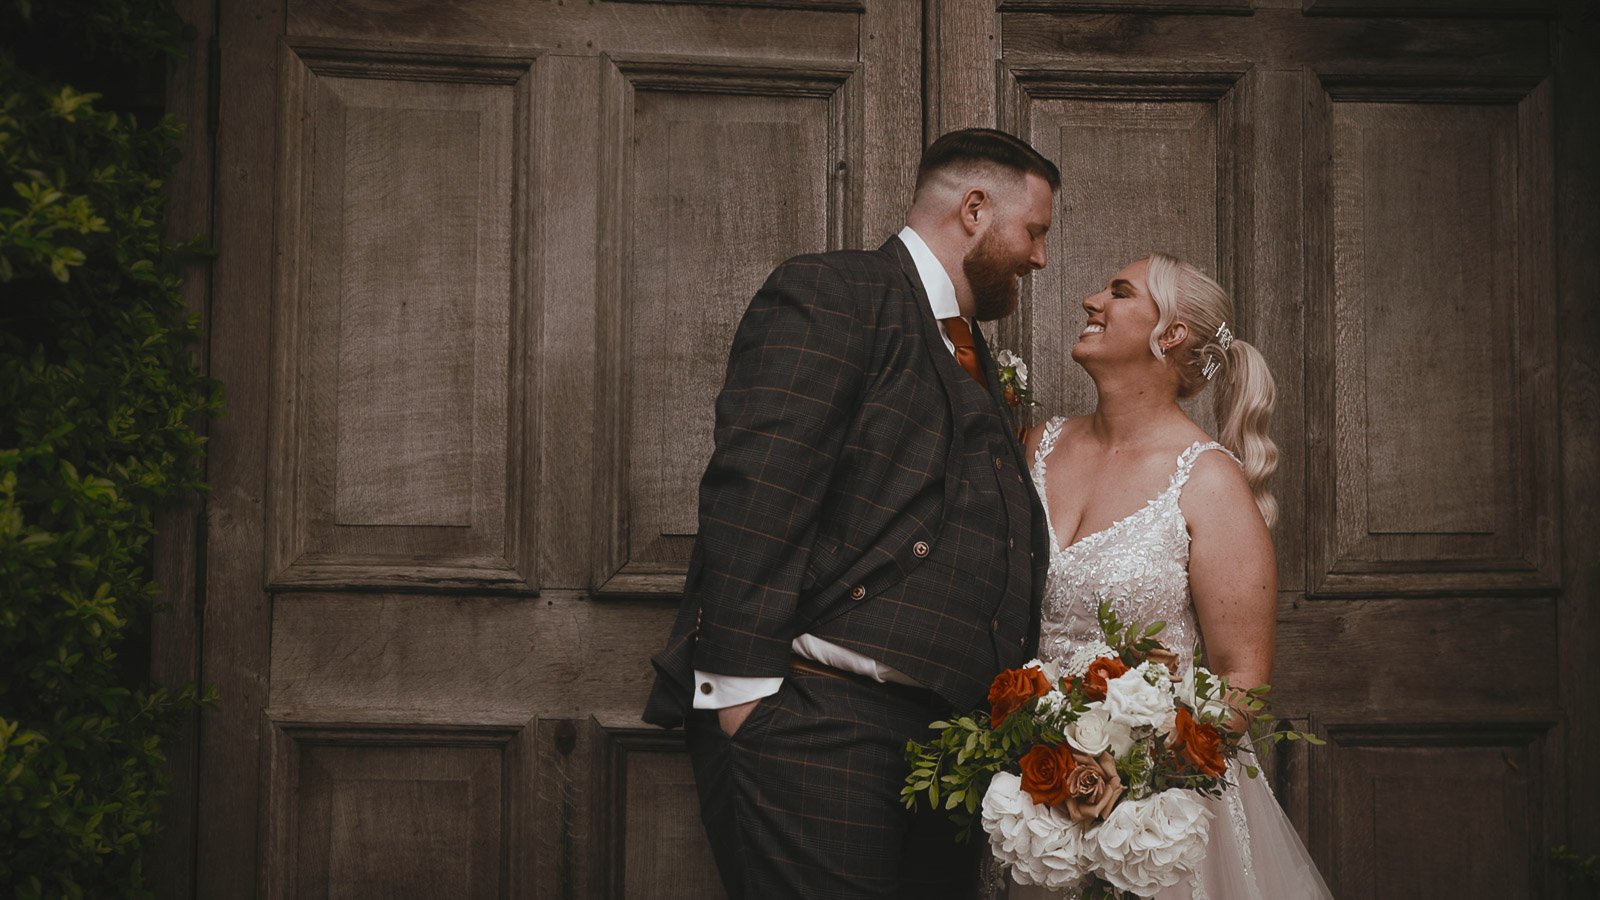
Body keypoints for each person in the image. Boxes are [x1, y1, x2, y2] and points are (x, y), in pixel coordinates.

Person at [642, 129, 1060, 898]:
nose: (1040, 258)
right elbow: (756, 485)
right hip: (818, 723)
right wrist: (742, 701)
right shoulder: (836, 291)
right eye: (1033, 231)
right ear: (974, 209)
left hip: (941, 748)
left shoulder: (972, 348)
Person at [1011, 253, 1332, 898]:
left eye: (1119, 292)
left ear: (1172, 333)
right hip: (1028, 795)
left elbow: (1242, 679)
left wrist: (1129, 786)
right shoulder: (1035, 444)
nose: (1090, 300)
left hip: (1157, 820)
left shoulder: (1209, 481)